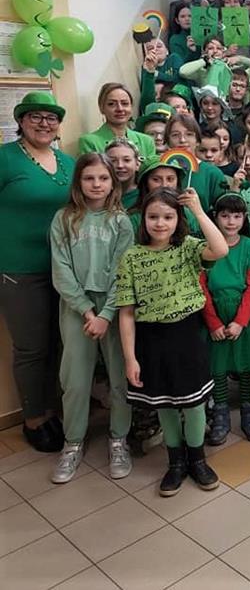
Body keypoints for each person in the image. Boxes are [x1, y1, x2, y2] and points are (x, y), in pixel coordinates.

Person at [117, 187, 228, 497]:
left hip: (187, 336)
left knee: (193, 405)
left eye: (168, 217)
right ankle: (176, 461)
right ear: (143, 219)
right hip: (151, 339)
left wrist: (198, 211)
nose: (160, 223)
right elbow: (126, 313)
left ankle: (197, 459)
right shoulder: (132, 257)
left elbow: (220, 249)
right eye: (153, 217)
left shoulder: (188, 247)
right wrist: (130, 358)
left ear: (178, 219)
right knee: (164, 404)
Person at [50, 153, 134, 483]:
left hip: (115, 308)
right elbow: (61, 269)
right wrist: (87, 311)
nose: (96, 184)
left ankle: (119, 438)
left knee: (120, 375)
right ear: (78, 182)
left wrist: (107, 314)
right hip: (77, 308)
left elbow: (123, 272)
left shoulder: (120, 221)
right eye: (89, 178)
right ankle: (72, 443)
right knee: (74, 379)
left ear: (113, 182)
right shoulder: (64, 219)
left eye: (103, 178)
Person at [0, 92, 75, 452]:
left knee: (57, 343)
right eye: (36, 117)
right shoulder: (5, 158)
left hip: (63, 269)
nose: (44, 123)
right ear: (21, 121)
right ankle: (33, 419)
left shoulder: (67, 162)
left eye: (51, 118)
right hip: (18, 270)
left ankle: (50, 410)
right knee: (31, 348)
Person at [201, 194, 250, 445]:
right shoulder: (205, 246)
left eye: (236, 216)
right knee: (217, 367)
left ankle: (249, 413)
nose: (230, 221)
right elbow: (201, 288)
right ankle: (221, 414)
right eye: (225, 216)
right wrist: (213, 322)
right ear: (215, 217)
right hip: (215, 311)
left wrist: (241, 321)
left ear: (244, 218)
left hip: (242, 314)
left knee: (246, 364)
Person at [164, 113, 228, 210]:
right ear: (168, 141)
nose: (182, 140)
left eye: (189, 134)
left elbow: (223, 212)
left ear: (198, 141)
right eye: (175, 135)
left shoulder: (213, 173)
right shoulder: (160, 169)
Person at [79, 83, 156, 160]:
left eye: (125, 103)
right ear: (101, 108)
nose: (120, 109)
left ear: (131, 107)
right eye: (111, 104)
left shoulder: (146, 142)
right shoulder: (90, 142)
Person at [105, 137, 141, 209]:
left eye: (126, 160)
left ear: (137, 164)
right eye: (113, 161)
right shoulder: (99, 194)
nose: (120, 165)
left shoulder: (144, 196)